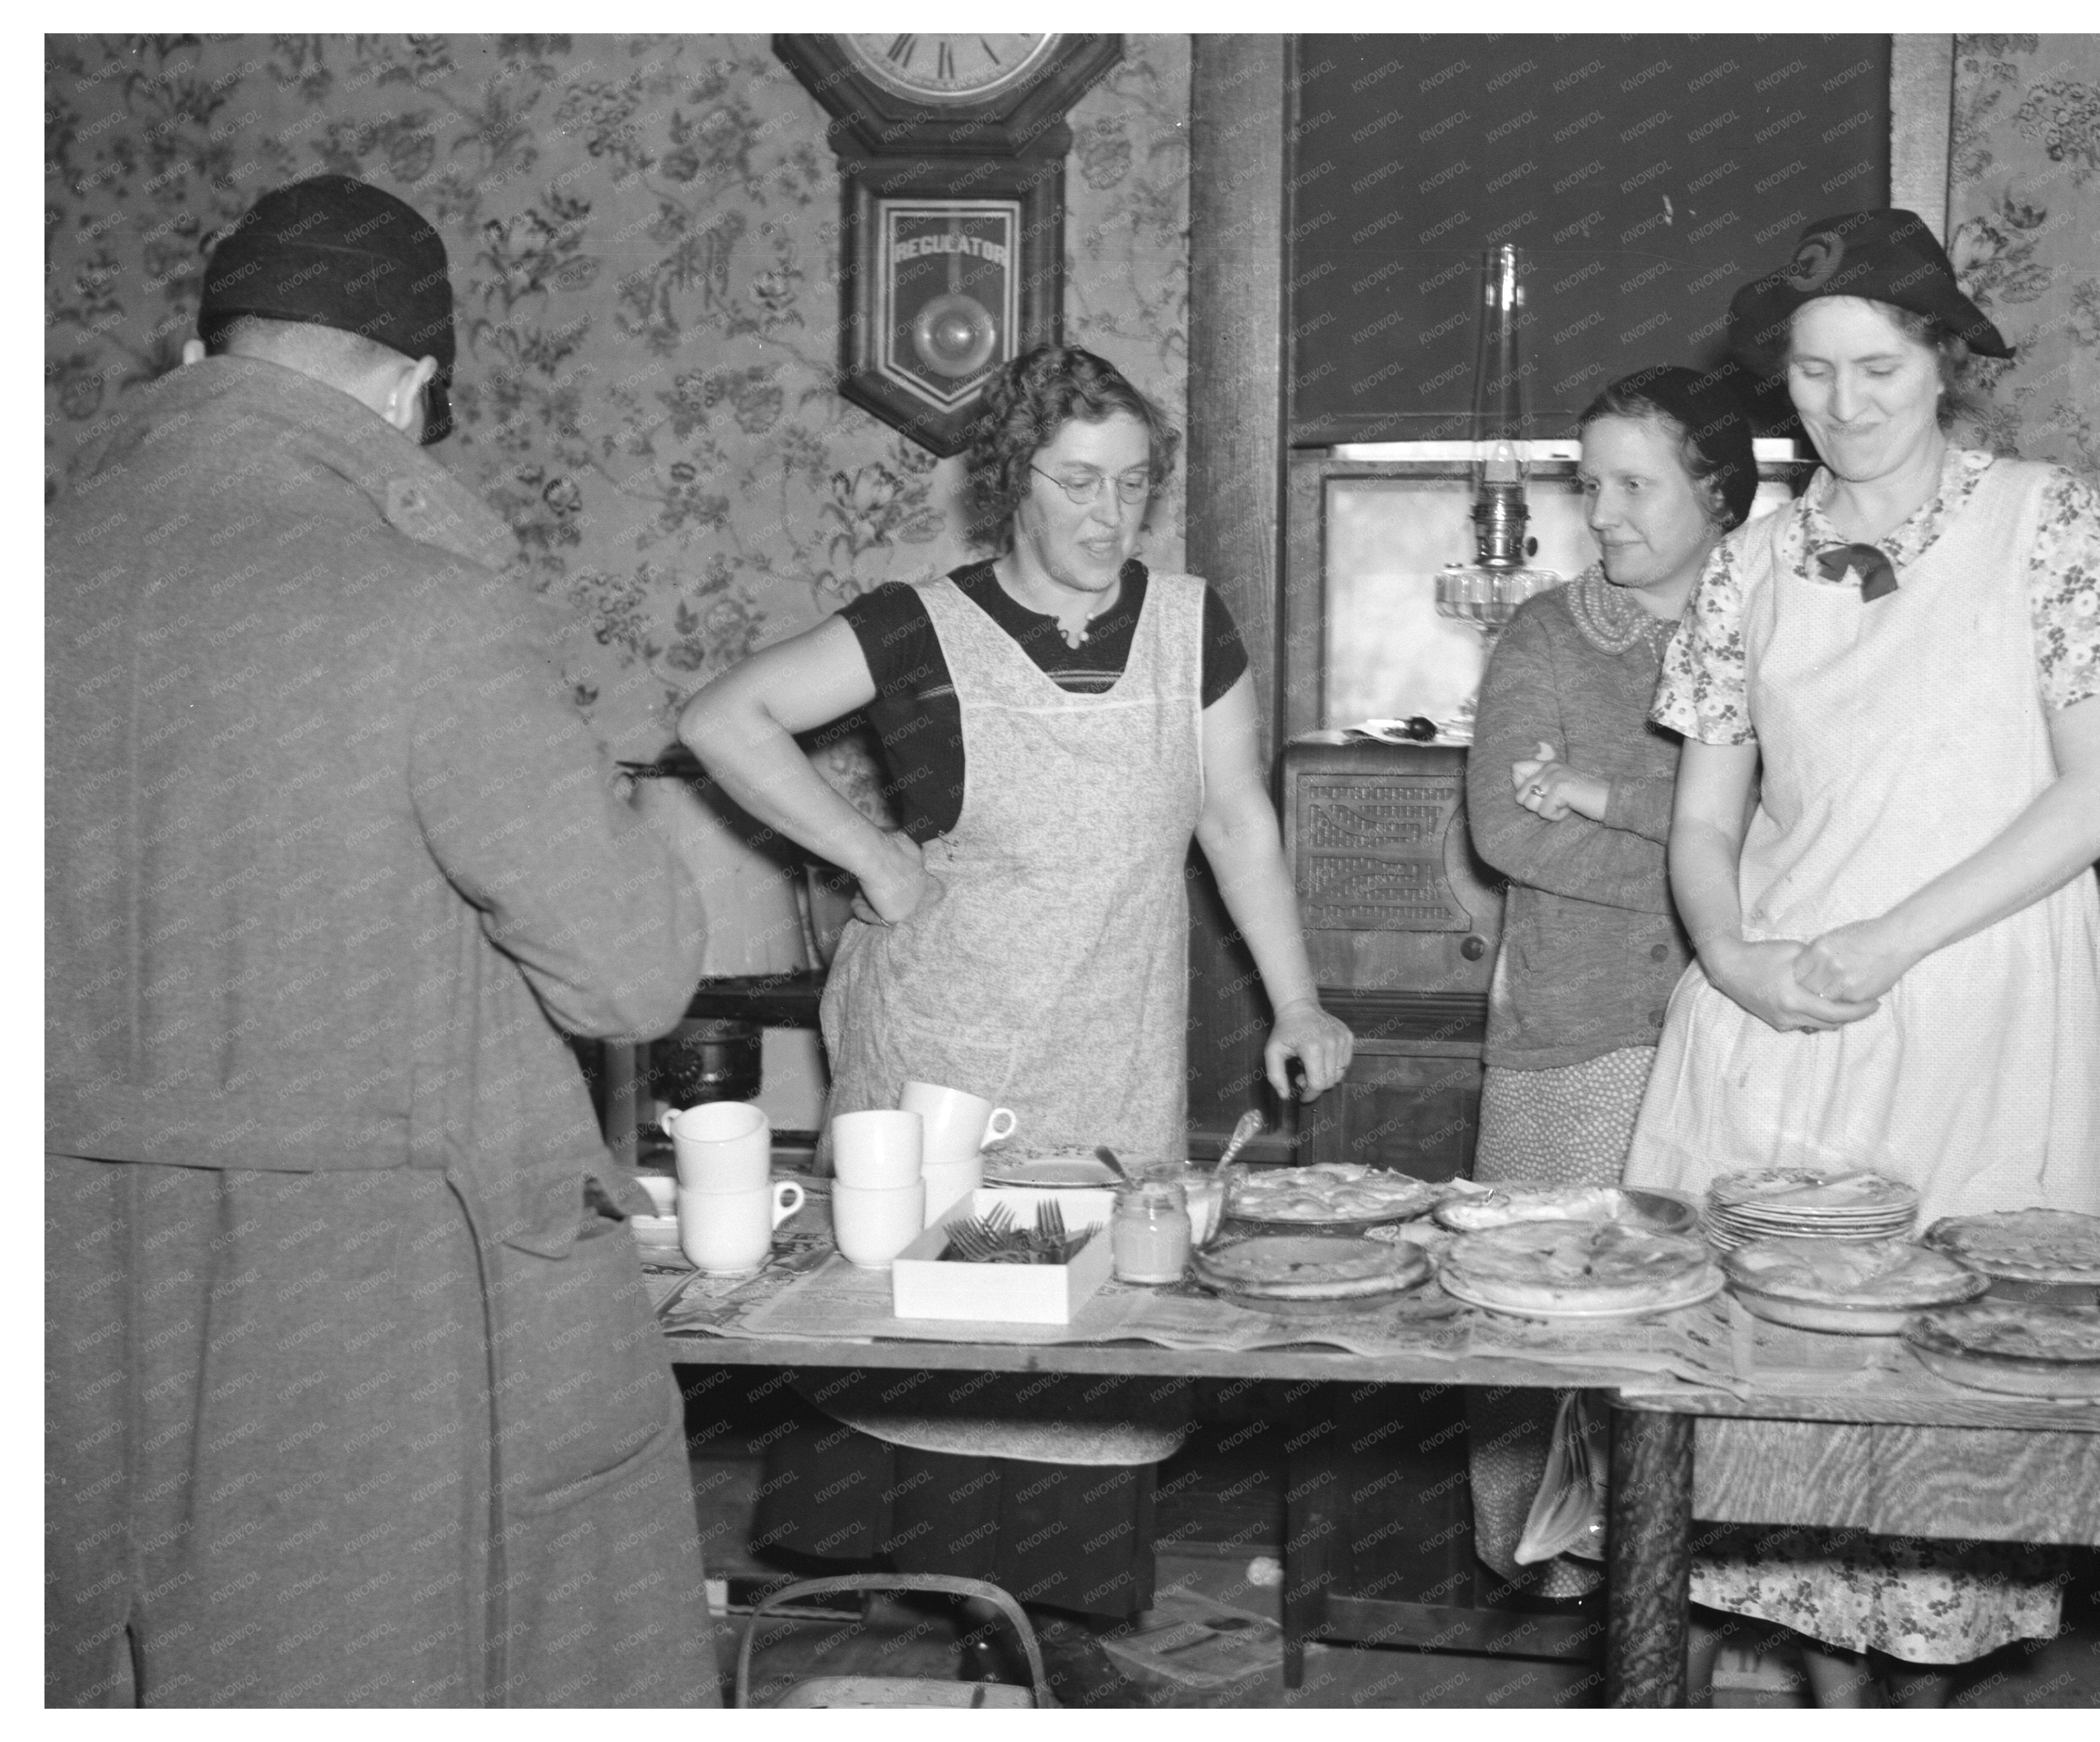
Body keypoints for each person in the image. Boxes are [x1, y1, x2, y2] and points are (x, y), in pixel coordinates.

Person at [46, 176, 719, 1708]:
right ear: (414, 387)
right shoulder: (427, 610)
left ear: (208, 347)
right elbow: (630, 972)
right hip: (379, 1314)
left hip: (63, 1292)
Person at [679, 343, 1352, 1691]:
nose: (1110, 517)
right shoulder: (918, 624)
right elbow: (723, 717)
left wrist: (1297, 995)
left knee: (1079, 1357)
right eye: (1077, 482)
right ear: (1012, 484)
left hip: (1109, 1041)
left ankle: (1045, 1657)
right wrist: (869, 858)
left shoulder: (1190, 624)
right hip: (939, 1050)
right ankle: (900, 1661)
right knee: (914, 1339)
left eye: (1135, 485)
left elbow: (1232, 817)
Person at [1625, 209, 2100, 1705]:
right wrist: (1737, 958)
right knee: (1776, 1427)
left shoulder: (2044, 523)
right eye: (1811, 375)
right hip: (1779, 1022)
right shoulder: (1748, 562)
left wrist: (1889, 938)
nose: (1843, 405)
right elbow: (1702, 819)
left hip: (1975, 1004)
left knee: (1956, 1417)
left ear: (1944, 363)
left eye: (1877, 368)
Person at [1458, 366, 1757, 1600]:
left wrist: (1612, 798)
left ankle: (1694, 1582)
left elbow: (1806, 818)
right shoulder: (1544, 634)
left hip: (1736, 1033)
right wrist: (1710, 860)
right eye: (1592, 486)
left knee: (1700, 1331)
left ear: (1720, 493)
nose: (1604, 514)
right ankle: (1549, 1579)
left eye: (1636, 485)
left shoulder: (1773, 628)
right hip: (1573, 1035)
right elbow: (1510, 833)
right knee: (1538, 1324)